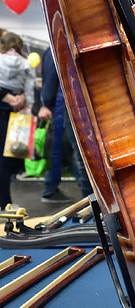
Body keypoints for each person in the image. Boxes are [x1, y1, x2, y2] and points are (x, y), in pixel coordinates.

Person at [38, 48, 92, 203]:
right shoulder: (56, 48)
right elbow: (51, 77)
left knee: (71, 151)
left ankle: (54, 189)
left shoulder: (52, 49)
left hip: (62, 105)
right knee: (72, 151)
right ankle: (53, 190)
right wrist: (46, 103)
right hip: (62, 106)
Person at [0, 32, 34, 208]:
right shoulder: (25, 63)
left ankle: (4, 202)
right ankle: (5, 203)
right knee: (8, 161)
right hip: (15, 118)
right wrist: (19, 98)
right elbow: (29, 91)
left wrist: (5, 97)